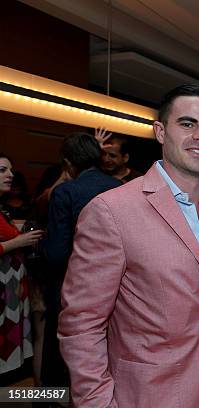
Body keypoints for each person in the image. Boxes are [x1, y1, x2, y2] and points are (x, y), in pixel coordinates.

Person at [58, 84, 199, 408]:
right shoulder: (111, 211)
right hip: (146, 395)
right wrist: (97, 402)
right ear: (160, 131)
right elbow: (81, 324)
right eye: (187, 123)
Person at [41, 132, 121, 387]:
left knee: (57, 355)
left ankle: (50, 401)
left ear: (67, 163)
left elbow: (55, 254)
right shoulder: (121, 188)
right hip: (116, 285)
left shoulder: (66, 192)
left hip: (71, 286)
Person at [0, 154, 43, 378]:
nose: (10, 175)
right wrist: (18, 242)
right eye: (2, 171)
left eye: (10, 170)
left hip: (10, 293)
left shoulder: (2, 209)